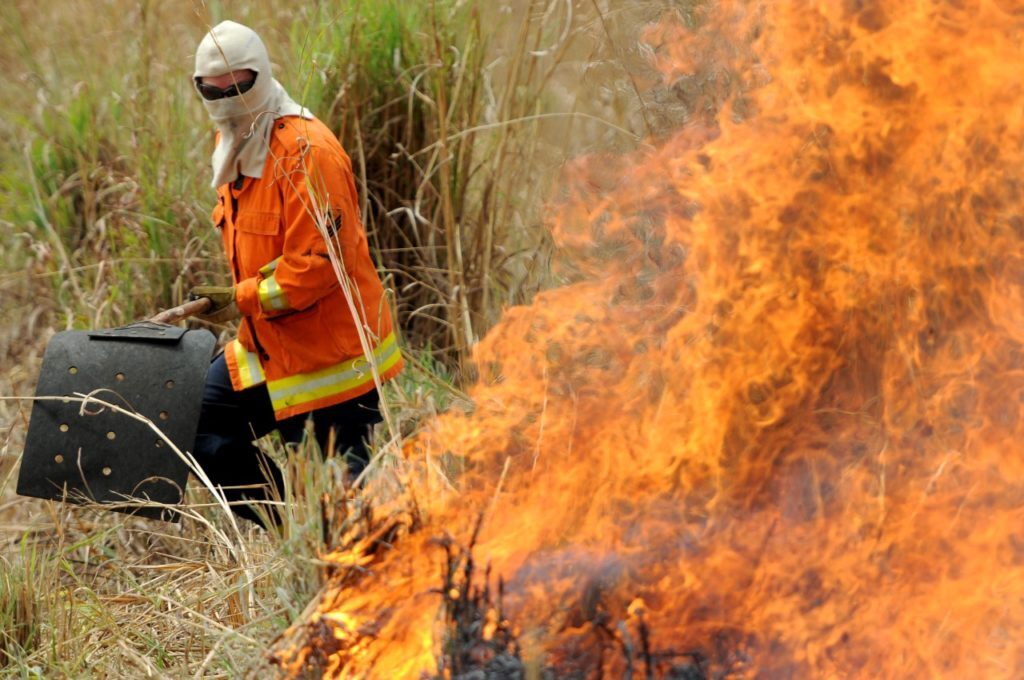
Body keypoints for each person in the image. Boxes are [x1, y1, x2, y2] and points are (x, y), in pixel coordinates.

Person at [187, 20, 403, 526]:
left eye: (237, 86)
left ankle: (346, 557)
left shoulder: (308, 152)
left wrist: (238, 297)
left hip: (334, 362)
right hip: (269, 348)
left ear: (260, 77)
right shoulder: (234, 146)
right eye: (209, 90)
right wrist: (240, 302)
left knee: (348, 521)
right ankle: (290, 529)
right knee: (196, 423)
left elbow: (313, 270)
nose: (225, 100)